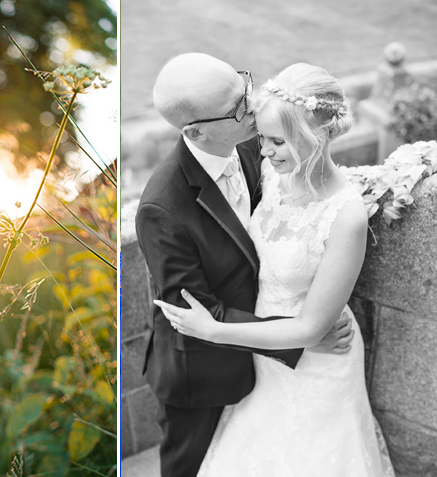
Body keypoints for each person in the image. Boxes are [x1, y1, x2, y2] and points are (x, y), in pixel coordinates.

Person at [155, 63, 394, 476]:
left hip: (319, 357)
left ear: (315, 136)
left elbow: (308, 330)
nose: (262, 149)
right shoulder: (269, 167)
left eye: (277, 141)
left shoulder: (346, 215)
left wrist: (215, 329)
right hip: (263, 351)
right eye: (262, 138)